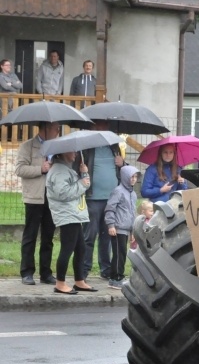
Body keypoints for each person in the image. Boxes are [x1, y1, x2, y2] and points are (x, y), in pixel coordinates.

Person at [75, 120, 124, 280]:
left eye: (105, 126)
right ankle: (84, 269)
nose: (103, 128)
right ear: (93, 128)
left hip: (111, 200)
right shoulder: (86, 149)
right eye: (99, 125)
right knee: (89, 235)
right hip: (92, 198)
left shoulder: (114, 147)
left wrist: (122, 164)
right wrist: (83, 171)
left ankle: (106, 269)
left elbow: (123, 172)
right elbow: (76, 170)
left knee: (107, 236)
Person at [14, 122, 60, 286]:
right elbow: (19, 169)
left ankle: (46, 273)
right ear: (45, 128)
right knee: (30, 236)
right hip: (34, 197)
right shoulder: (27, 146)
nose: (58, 131)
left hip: (52, 196)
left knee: (48, 237)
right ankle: (27, 272)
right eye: (56, 128)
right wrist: (40, 168)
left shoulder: (57, 147)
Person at [46, 150, 96, 294]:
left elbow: (82, 185)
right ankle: (60, 283)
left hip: (73, 214)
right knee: (67, 249)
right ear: (61, 153)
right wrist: (82, 182)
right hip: (67, 215)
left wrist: (84, 174)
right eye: (71, 151)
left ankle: (79, 281)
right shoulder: (59, 171)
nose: (75, 154)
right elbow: (63, 193)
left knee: (81, 249)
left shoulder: (66, 169)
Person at [104, 166, 139, 289]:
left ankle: (118, 276)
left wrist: (133, 231)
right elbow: (110, 209)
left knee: (123, 253)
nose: (134, 179)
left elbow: (132, 212)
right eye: (131, 177)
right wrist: (111, 225)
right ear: (124, 177)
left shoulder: (133, 194)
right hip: (117, 228)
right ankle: (115, 277)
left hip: (126, 229)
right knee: (119, 253)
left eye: (135, 177)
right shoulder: (118, 191)